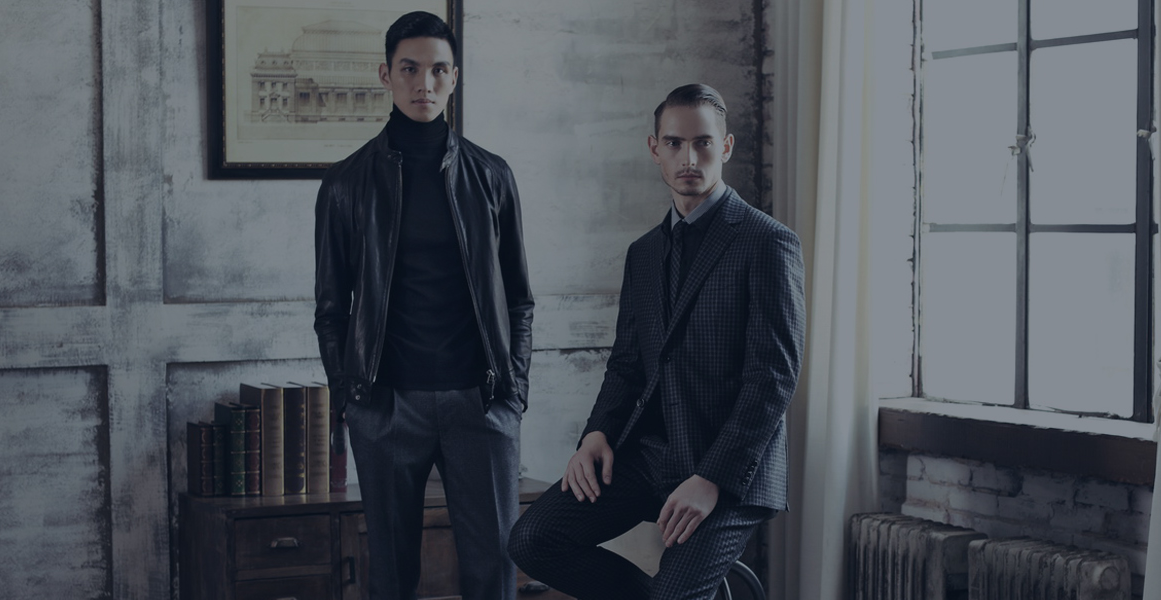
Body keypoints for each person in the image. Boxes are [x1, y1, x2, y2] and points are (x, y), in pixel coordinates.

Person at [507, 83, 805, 600]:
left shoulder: (767, 241)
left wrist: (711, 478)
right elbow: (627, 365)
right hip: (650, 458)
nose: (689, 158)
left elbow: (772, 380)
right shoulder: (643, 253)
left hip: (730, 469)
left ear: (725, 147)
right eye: (674, 143)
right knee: (533, 539)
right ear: (655, 149)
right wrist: (596, 434)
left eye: (703, 143)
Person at [312, 11, 533, 600]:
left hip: (481, 404)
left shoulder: (492, 176)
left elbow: (519, 300)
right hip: (387, 408)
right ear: (386, 75)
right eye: (409, 69)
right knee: (391, 579)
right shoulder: (345, 184)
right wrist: (351, 399)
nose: (424, 84)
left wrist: (513, 394)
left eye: (438, 70)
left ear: (454, 77)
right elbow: (331, 310)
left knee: (493, 577)